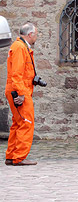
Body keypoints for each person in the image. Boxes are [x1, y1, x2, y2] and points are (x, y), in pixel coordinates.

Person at [5, 23, 41, 166]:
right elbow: (17, 74)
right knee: (26, 123)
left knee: (18, 123)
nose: (36, 37)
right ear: (30, 34)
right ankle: (18, 157)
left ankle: (11, 156)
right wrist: (21, 94)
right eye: (36, 34)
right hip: (20, 91)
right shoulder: (20, 48)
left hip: (18, 89)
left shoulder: (19, 46)